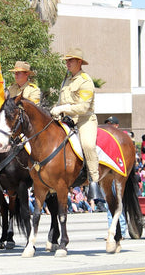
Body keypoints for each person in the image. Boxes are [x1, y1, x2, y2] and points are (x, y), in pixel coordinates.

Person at [50, 48, 100, 192]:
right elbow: (61, 101)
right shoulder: (66, 79)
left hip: (84, 119)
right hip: (66, 119)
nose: (67, 63)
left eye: (70, 60)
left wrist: (62, 108)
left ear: (79, 62)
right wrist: (56, 109)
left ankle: (93, 181)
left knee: (88, 145)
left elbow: (83, 108)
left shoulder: (85, 81)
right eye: (66, 60)